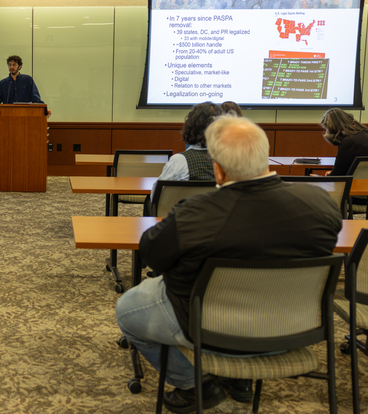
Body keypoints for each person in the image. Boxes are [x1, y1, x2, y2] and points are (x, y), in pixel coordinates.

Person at [116, 116, 342, 413]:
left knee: (127, 310)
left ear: (218, 170)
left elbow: (153, 255)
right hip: (292, 330)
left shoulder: (197, 213)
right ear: (265, 158)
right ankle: (239, 380)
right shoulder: (321, 203)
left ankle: (193, 385)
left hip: (210, 331)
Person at [150, 102, 223, 207]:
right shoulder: (233, 161)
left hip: (188, 215)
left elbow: (156, 197)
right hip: (223, 215)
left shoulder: (179, 161)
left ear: (190, 127)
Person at [320, 108, 368, 176]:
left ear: (333, 128)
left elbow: (337, 176)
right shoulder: (362, 134)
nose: (327, 132)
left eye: (327, 129)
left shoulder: (349, 142)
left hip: (360, 181)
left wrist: (318, 178)